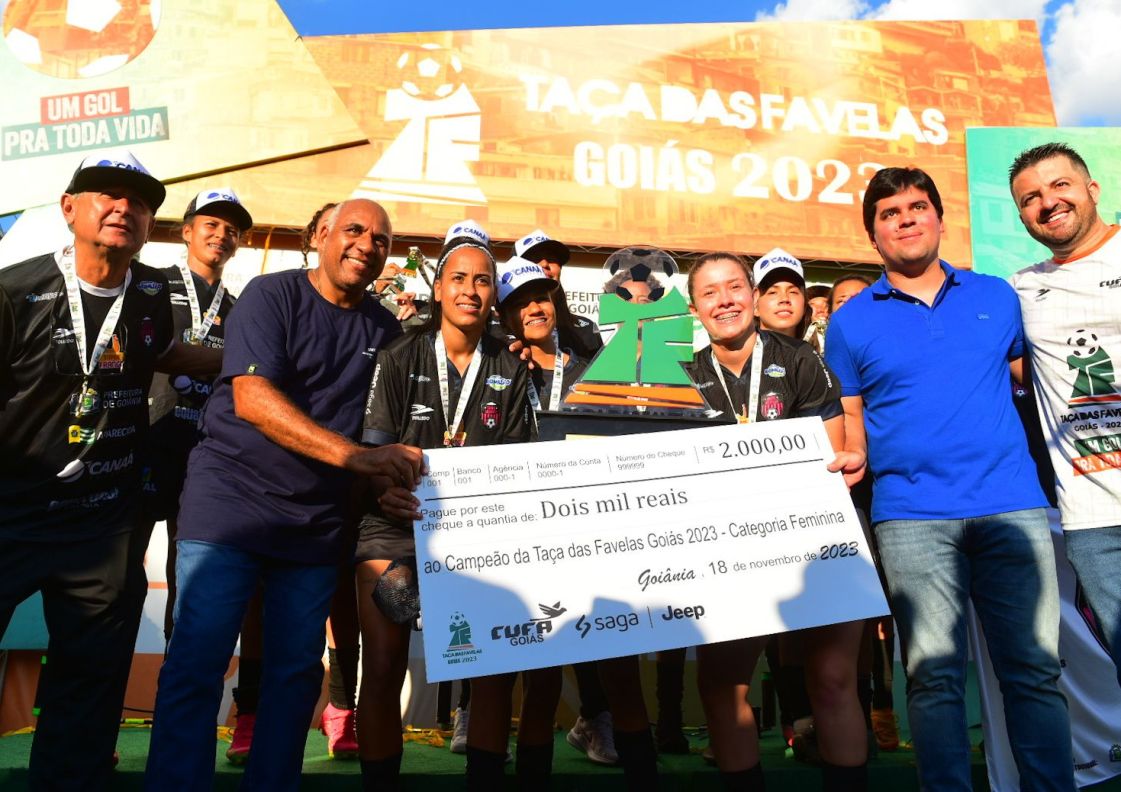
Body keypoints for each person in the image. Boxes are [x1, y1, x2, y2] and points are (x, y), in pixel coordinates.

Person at [145, 199, 423, 792]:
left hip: (317, 520)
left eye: (380, 239)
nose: (366, 245)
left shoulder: (387, 329)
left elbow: (380, 430)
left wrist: (386, 480)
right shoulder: (271, 296)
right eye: (354, 230)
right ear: (323, 236)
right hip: (231, 504)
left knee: (296, 673)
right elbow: (252, 399)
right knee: (198, 661)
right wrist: (359, 459)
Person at [824, 166, 1074, 791]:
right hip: (909, 517)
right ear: (873, 236)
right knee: (932, 680)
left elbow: (1039, 382)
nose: (905, 219)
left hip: (1011, 507)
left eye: (916, 207)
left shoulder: (996, 296)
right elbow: (850, 419)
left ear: (939, 218)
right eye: (889, 213)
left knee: (1034, 672)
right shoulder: (850, 322)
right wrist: (851, 456)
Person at [0, 150, 219, 790]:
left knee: (88, 686)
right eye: (105, 194)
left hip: (102, 526)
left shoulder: (152, 290)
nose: (124, 206)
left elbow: (166, 353)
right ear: (70, 209)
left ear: (153, 223)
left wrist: (249, 361)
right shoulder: (13, 290)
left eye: (140, 200)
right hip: (10, 514)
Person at [683, 252, 868, 791]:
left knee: (833, 680)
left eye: (735, 287)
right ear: (695, 308)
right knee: (724, 684)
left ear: (754, 295)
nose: (725, 300)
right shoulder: (685, 375)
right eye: (711, 293)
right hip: (728, 550)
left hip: (813, 540)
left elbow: (833, 452)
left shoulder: (803, 360)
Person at [354, 237, 534, 792]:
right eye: (459, 278)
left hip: (477, 539)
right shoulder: (399, 355)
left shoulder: (510, 364)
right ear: (438, 289)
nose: (470, 291)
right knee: (382, 669)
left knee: (493, 673)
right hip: (394, 530)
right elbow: (373, 450)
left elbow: (518, 461)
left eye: (483, 281)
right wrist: (383, 490)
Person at [1008, 141, 1121, 686]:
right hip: (1093, 514)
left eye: (1060, 186)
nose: (1047, 202)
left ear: (1092, 190)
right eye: (1030, 198)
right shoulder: (1022, 288)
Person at [144, 188, 250, 638]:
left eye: (231, 230)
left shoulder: (241, 307)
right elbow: (151, 352)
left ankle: (175, 698)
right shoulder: (149, 283)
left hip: (206, 454)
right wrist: (232, 361)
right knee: (120, 579)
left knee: (189, 584)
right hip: (145, 443)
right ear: (186, 232)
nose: (221, 235)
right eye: (211, 224)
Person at [515, 229, 601, 357]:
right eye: (534, 259)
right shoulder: (499, 330)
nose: (544, 264)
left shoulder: (586, 329)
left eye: (551, 259)